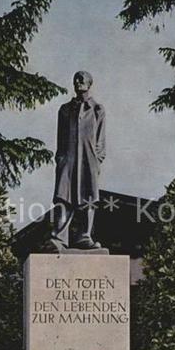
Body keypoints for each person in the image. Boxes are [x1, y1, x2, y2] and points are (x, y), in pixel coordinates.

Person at [49, 70, 105, 251]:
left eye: (82, 79)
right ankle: (59, 238)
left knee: (88, 198)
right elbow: (60, 139)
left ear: (90, 83)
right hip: (68, 160)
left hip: (89, 160)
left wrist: (97, 160)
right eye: (76, 79)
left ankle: (84, 236)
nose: (78, 81)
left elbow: (100, 141)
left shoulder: (97, 110)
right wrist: (61, 160)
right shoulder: (65, 110)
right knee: (63, 198)